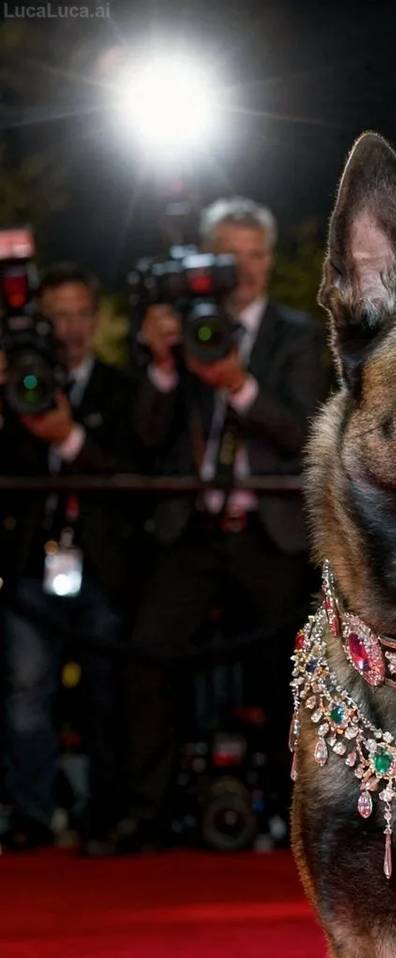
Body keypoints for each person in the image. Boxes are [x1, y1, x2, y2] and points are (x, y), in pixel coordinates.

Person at [120, 196, 325, 848]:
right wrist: (159, 364)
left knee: (284, 676)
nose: (248, 268)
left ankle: (298, 820)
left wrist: (239, 385)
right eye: (232, 256)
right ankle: (146, 813)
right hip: (192, 532)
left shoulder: (296, 336)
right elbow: (146, 437)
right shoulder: (177, 330)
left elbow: (306, 433)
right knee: (148, 656)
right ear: (209, 263)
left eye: (258, 255)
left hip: (269, 534)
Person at [0, 263, 139, 852]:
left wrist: (68, 437)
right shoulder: (14, 387)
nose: (71, 327)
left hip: (102, 563)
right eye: (58, 315)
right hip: (31, 561)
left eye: (81, 313)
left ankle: (103, 817)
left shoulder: (120, 387)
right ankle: (34, 811)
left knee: (107, 691)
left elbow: (135, 466)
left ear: (97, 318)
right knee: (27, 690)